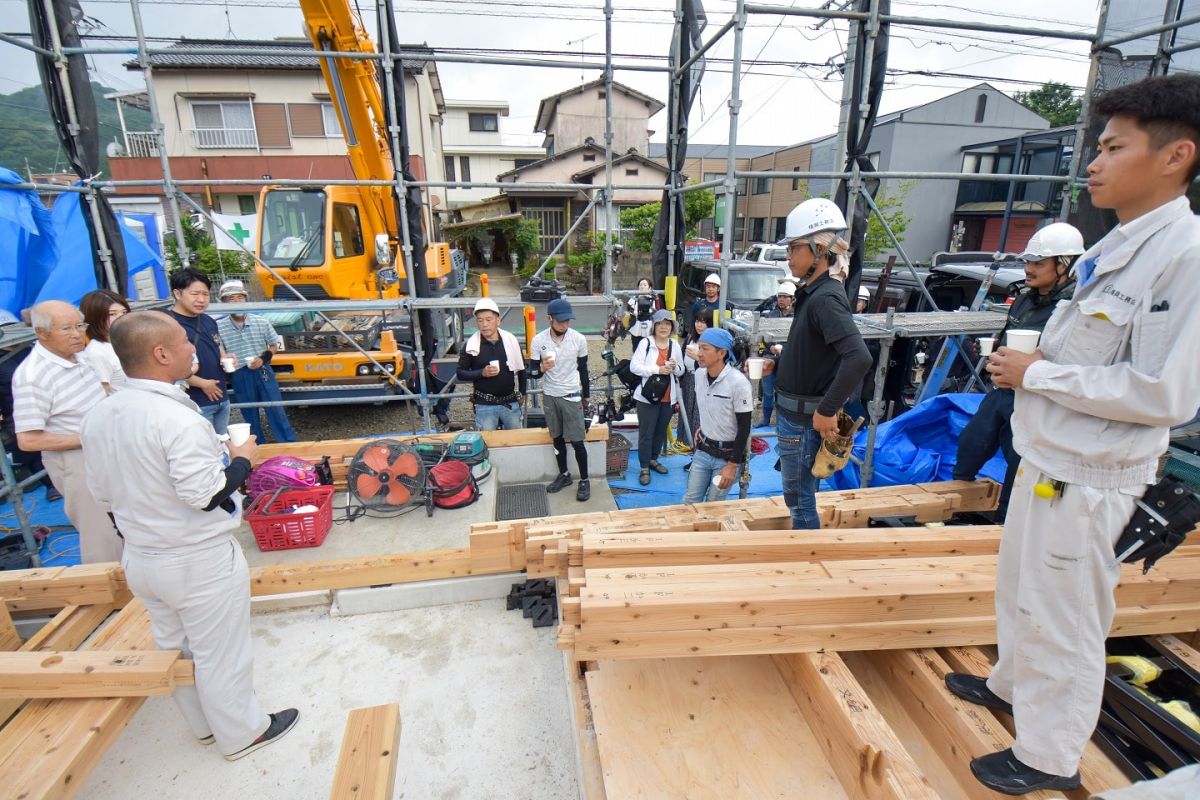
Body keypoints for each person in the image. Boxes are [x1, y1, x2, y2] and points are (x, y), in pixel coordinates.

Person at [944, 74, 1200, 795]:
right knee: (1021, 590)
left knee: (1067, 616)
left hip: (1092, 477)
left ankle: (1049, 755)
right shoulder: (1118, 246)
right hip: (1050, 457)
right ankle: (1011, 687)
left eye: (1114, 147)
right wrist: (1033, 375)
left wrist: (1037, 377)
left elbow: (1167, 394)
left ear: (1176, 156)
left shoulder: (1184, 257)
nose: (1094, 162)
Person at [81, 310, 298, 761]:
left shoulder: (101, 415)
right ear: (160, 354)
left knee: (174, 645)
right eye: (183, 341)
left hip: (142, 555)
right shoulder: (176, 419)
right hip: (196, 558)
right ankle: (243, 733)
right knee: (221, 652)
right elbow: (205, 495)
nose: (193, 348)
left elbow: (103, 493)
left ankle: (203, 727)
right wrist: (240, 458)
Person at [952, 223, 1081, 518]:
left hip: (1036, 397)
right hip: (1003, 389)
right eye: (1028, 262)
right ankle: (955, 503)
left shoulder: (1073, 308)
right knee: (973, 442)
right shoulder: (1024, 300)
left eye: (1038, 263)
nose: (1029, 269)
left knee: (1018, 459)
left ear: (1065, 265)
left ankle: (1004, 522)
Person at [761, 198, 872, 529]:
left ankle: (806, 561)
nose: (789, 256)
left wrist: (826, 411)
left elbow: (859, 358)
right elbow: (818, 354)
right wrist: (779, 363)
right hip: (795, 416)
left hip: (804, 421)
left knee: (799, 499)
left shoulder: (826, 298)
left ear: (819, 250)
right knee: (801, 493)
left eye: (795, 248)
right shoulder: (814, 292)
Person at [13, 301, 121, 562]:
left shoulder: (82, 357)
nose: (76, 334)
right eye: (66, 328)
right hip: (76, 460)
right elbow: (28, 439)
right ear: (42, 333)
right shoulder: (32, 376)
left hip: (103, 449)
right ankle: (112, 597)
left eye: (79, 326)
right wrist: (87, 437)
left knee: (123, 524)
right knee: (101, 534)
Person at [215, 280, 297, 444]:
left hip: (263, 371)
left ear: (246, 299)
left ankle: (288, 444)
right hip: (239, 373)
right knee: (248, 413)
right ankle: (256, 447)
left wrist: (263, 358)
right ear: (223, 304)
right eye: (231, 300)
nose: (236, 302)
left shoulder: (261, 321)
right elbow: (218, 349)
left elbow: (274, 345)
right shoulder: (218, 326)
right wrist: (224, 359)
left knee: (276, 409)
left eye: (240, 298)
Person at [682, 327, 753, 504]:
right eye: (700, 347)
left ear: (722, 353)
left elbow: (744, 427)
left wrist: (733, 465)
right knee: (690, 501)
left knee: (713, 504)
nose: (700, 353)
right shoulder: (699, 375)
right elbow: (708, 406)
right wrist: (705, 427)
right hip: (703, 451)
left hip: (727, 457)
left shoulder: (738, 383)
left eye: (706, 348)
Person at [531, 298, 591, 502]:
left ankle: (584, 479)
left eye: (568, 321)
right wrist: (541, 369)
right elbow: (532, 373)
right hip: (549, 394)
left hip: (571, 394)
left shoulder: (579, 339)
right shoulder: (539, 340)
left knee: (577, 440)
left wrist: (587, 396)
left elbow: (583, 369)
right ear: (549, 318)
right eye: (560, 321)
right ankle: (564, 474)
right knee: (556, 438)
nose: (565, 325)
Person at [0, 311, 60, 501]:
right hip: (15, 413)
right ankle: (50, 485)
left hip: (47, 404)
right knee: (31, 451)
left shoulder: (31, 349)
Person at [168, 268, 229, 434]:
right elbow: (169, 368)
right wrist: (203, 383)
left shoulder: (209, 320)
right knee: (203, 449)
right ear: (178, 294)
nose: (201, 300)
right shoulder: (168, 324)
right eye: (195, 294)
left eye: (206, 294)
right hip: (195, 401)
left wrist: (226, 358)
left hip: (221, 396)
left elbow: (218, 346)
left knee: (223, 445)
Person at [631, 309, 684, 486]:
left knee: (660, 432)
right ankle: (644, 467)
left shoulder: (674, 346)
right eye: (660, 324)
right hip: (647, 397)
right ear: (654, 326)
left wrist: (674, 367)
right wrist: (657, 369)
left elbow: (681, 371)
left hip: (668, 397)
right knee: (646, 433)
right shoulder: (646, 343)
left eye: (667, 324)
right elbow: (634, 367)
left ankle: (653, 459)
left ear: (672, 327)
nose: (663, 327)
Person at [458, 298, 527, 431]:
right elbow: (460, 373)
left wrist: (522, 393)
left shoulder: (510, 341)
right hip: (484, 404)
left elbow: (522, 368)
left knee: (516, 442)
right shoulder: (471, 345)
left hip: (510, 401)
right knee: (488, 444)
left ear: (498, 321)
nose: (484, 324)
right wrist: (481, 373)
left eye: (489, 320)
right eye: (480, 320)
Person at [758, 280, 796, 426]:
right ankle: (766, 419)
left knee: (783, 393)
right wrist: (771, 346)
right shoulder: (770, 315)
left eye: (785, 296)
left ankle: (782, 421)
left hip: (787, 361)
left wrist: (784, 350)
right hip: (770, 358)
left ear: (792, 299)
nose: (781, 299)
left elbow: (799, 339)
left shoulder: (797, 317)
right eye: (779, 296)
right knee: (768, 392)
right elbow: (763, 335)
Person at [79, 289, 131, 394]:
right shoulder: (96, 352)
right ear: (94, 317)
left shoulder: (127, 340)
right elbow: (104, 394)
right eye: (112, 314)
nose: (121, 317)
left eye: (124, 312)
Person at [678, 309, 712, 448]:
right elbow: (681, 356)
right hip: (688, 379)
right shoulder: (690, 338)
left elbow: (713, 364)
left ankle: (699, 449)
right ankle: (689, 446)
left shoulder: (711, 341)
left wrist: (698, 357)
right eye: (698, 321)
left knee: (699, 415)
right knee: (687, 412)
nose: (700, 325)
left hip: (703, 380)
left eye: (703, 322)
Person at [626, 277, 660, 356]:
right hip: (637, 325)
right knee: (636, 347)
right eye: (640, 285)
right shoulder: (634, 298)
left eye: (645, 285)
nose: (642, 286)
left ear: (649, 287)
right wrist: (632, 314)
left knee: (649, 346)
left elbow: (658, 311)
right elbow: (628, 309)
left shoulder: (653, 298)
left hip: (649, 325)